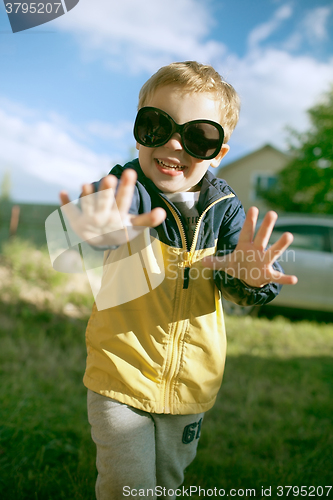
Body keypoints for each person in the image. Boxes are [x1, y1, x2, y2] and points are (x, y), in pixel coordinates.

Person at [59, 61, 297, 499]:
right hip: (121, 378)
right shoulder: (123, 189)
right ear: (138, 131)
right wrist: (96, 227)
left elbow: (246, 287)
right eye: (156, 125)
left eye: (198, 136)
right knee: (129, 487)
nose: (172, 143)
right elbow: (91, 221)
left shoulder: (224, 209)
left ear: (218, 152)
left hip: (193, 385)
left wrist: (248, 276)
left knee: (166, 486)